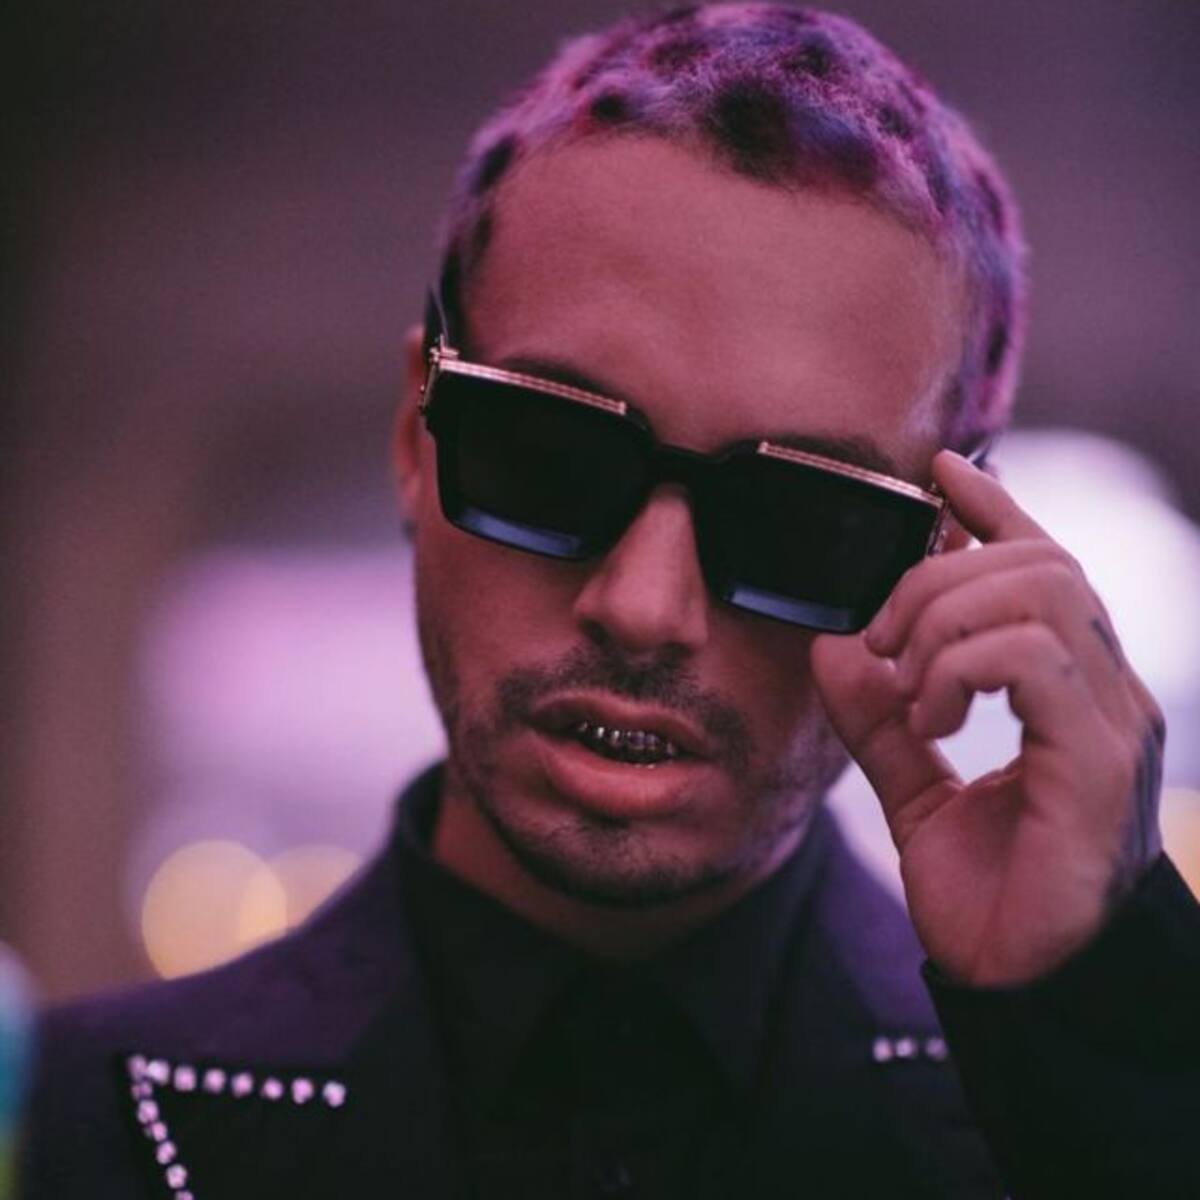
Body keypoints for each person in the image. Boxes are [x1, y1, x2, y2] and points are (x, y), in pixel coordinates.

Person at [19, 5, 1200, 1197]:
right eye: (549, 457)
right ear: (416, 439)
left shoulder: (1069, 1129)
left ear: (942, 553)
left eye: (798, 518)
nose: (642, 608)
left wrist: (1101, 1048)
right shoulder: (61, 1133)